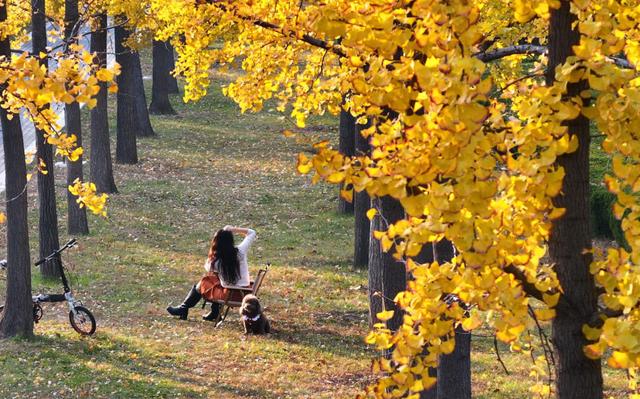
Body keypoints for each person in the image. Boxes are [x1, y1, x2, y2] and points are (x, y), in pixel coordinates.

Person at [166, 225, 257, 321]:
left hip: (230, 294)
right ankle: (214, 312)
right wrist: (233, 229)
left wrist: (213, 252)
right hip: (245, 292)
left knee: (204, 282)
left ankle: (184, 308)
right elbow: (252, 232)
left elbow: (207, 268)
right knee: (213, 280)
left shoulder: (216, 261)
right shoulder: (241, 251)